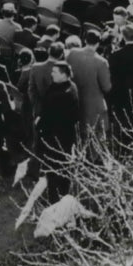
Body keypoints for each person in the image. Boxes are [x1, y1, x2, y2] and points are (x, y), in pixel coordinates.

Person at [36, 62, 81, 202]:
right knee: (63, 166)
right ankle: (63, 193)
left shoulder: (60, 94)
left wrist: (39, 125)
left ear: (63, 74)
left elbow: (49, 116)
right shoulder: (71, 86)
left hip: (56, 136)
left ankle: (54, 199)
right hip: (66, 135)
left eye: (55, 72)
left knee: (53, 168)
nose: (51, 74)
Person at [66, 29, 112, 137]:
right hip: (93, 107)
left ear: (85, 40)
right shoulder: (101, 62)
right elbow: (107, 87)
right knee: (94, 142)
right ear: (98, 43)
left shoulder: (72, 53)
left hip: (74, 101)